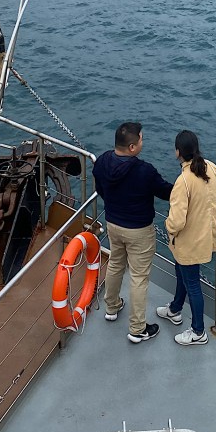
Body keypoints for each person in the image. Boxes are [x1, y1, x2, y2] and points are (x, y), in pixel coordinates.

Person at [92, 121, 172, 343]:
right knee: (139, 278)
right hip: (139, 231)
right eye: (141, 139)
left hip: (113, 224)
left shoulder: (102, 161)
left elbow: (100, 188)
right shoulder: (144, 171)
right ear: (132, 147)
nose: (143, 142)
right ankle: (137, 329)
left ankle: (112, 307)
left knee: (115, 263)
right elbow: (167, 192)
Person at [159, 129, 216, 346]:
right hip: (205, 237)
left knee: (192, 285)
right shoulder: (211, 167)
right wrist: (208, 210)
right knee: (182, 274)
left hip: (188, 241)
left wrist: (167, 227)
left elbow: (177, 222)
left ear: (178, 152)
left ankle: (198, 331)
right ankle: (175, 309)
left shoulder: (183, 181)